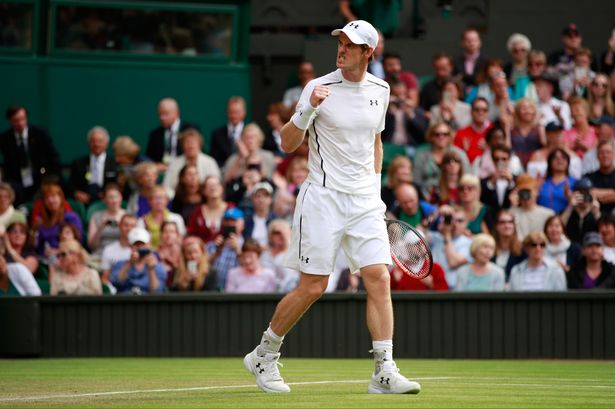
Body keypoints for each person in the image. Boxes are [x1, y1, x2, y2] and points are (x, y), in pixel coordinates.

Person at [243, 20, 421, 395]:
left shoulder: (381, 89)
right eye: (340, 42)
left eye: (350, 45)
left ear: (367, 53)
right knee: (314, 286)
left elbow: (375, 142)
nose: (341, 49)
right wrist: (305, 110)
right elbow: (287, 143)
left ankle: (384, 371)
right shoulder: (316, 87)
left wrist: (374, 189)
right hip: (322, 198)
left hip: (365, 202)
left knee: (379, 278)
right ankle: (264, 353)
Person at [0, 105, 61, 205]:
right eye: (16, 120)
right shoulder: (5, 139)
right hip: (17, 182)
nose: (20, 123)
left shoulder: (40, 133)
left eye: (22, 119)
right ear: (10, 121)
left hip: (40, 177)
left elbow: (53, 157)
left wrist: (49, 178)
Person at [413, 122, 470, 200]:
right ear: (431, 137)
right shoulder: (422, 155)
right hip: (427, 196)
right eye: (437, 134)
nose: (441, 137)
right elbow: (416, 181)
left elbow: (468, 177)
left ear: (450, 136)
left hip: (456, 195)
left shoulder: (459, 154)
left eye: (445, 134)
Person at [162, 128, 220, 199]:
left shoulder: (210, 162)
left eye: (193, 142)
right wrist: (176, 197)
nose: (190, 145)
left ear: (200, 144)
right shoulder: (175, 163)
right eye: (187, 142)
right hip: (179, 200)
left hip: (205, 200)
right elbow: (166, 187)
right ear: (182, 145)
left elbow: (217, 185)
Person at [68, 126, 117, 206]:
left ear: (107, 144)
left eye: (100, 141)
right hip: (84, 201)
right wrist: (77, 193)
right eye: (93, 141)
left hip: (107, 201)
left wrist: (107, 194)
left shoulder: (114, 163)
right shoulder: (78, 163)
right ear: (88, 143)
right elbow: (71, 185)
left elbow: (117, 184)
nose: (96, 144)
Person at [110, 227, 167, 294]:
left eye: (143, 244)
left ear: (149, 245)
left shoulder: (157, 267)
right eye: (136, 244)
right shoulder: (120, 264)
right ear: (130, 246)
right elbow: (116, 283)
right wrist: (129, 264)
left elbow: (157, 292)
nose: (140, 247)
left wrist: (151, 270)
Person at [145, 98, 198, 170]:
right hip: (161, 172)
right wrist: (155, 165)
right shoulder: (155, 134)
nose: (162, 117)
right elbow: (149, 157)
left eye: (165, 114)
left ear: (177, 113)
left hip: (184, 169)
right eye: (160, 114)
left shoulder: (190, 129)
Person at [428, 205, 473, 289]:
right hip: (434, 290)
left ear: (466, 223)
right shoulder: (435, 237)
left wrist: (447, 234)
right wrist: (435, 214)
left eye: (460, 221)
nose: (455, 224)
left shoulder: (470, 243)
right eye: (452, 220)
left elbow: (453, 262)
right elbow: (414, 237)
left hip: (456, 292)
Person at [32, 183, 83, 256]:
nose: (50, 200)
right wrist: (34, 230)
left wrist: (58, 251)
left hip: (67, 256)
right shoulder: (42, 220)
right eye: (47, 198)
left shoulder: (71, 217)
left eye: (53, 196)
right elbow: (37, 247)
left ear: (61, 198)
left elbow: (78, 243)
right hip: (45, 259)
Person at [381, 80, 428, 153]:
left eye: (403, 94)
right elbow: (381, 132)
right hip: (389, 146)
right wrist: (389, 114)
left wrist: (411, 116)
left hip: (409, 147)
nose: (400, 98)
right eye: (397, 95)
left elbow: (424, 132)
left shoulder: (415, 110)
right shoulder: (385, 111)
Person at [137, 186, 186, 250]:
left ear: (167, 201)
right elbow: (141, 244)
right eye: (155, 198)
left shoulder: (177, 218)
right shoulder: (142, 221)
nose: (159, 201)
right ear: (149, 201)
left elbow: (181, 240)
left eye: (162, 198)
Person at [207, 207, 244, 290]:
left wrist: (238, 250)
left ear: (243, 225)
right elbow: (203, 267)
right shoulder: (212, 245)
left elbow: (251, 269)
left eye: (234, 221)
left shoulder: (247, 246)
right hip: (212, 290)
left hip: (236, 290)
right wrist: (217, 252)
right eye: (227, 221)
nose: (230, 224)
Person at [509, 174, 555, 241]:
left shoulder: (548, 214)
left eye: (528, 191)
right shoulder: (511, 213)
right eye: (522, 191)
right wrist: (512, 205)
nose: (525, 195)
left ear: (537, 192)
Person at [187, 175, 229, 245]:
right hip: (202, 253)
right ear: (204, 191)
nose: (213, 188)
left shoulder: (231, 209)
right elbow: (191, 236)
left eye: (215, 185)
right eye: (209, 185)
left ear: (222, 188)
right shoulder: (197, 212)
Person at [87, 183, 126, 257]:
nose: (114, 200)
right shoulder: (96, 216)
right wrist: (101, 228)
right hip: (100, 254)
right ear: (104, 200)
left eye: (116, 197)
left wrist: (121, 227)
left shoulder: (127, 216)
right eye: (111, 197)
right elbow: (92, 246)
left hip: (121, 255)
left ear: (121, 198)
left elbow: (132, 242)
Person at [260, 219, 298, 293]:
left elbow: (290, 277)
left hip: (287, 293)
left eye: (284, 232)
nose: (281, 235)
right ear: (270, 236)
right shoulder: (264, 255)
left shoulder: (294, 253)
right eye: (277, 233)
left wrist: (287, 242)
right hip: (264, 293)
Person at [100, 214, 137, 287]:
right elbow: (105, 277)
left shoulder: (141, 250)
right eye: (126, 225)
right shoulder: (109, 250)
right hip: (116, 292)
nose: (129, 228)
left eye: (132, 226)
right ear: (119, 226)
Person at [561, 177, 600, 246]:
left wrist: (596, 213)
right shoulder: (568, 211)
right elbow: (560, 226)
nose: (584, 196)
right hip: (571, 248)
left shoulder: (595, 210)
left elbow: (602, 230)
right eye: (581, 193)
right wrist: (570, 206)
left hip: (591, 248)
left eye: (586, 193)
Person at [210, 96, 247, 168]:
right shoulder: (217, 134)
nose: (233, 115)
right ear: (227, 112)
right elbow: (214, 159)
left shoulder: (250, 133)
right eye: (231, 112)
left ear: (244, 112)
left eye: (237, 112)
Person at [536, 148, 576, 214]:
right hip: (543, 219)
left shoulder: (574, 182)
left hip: (566, 220)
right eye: (555, 158)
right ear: (549, 162)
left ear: (568, 162)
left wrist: (569, 196)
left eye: (563, 158)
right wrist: (536, 187)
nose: (560, 160)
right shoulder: (542, 182)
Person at [479, 143, 517, 213]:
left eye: (504, 159)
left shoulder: (517, 180)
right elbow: (482, 202)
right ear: (492, 160)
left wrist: (511, 183)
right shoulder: (484, 182)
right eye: (497, 159)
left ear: (509, 159)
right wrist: (492, 183)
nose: (500, 162)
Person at [453, 97, 493, 164]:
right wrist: (463, 152)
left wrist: (488, 150)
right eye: (477, 109)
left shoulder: (495, 132)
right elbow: (455, 159)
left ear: (488, 112)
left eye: (484, 110)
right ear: (471, 112)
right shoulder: (461, 133)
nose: (480, 112)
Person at [510, 98, 546, 169]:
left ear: (534, 111)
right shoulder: (513, 129)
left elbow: (544, 144)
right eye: (523, 108)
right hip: (516, 164)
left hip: (535, 163)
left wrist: (540, 123)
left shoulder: (539, 128)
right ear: (518, 111)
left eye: (530, 108)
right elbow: (507, 148)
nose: (527, 111)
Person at [491, 209, 526, 282]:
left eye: (510, 222)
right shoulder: (489, 248)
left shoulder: (523, 250)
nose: (507, 226)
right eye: (502, 222)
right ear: (496, 226)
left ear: (514, 226)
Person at [243, 182, 277, 247]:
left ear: (271, 199)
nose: (261, 200)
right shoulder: (246, 220)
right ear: (252, 199)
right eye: (258, 196)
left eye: (266, 196)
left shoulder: (276, 220)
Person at [587, 141, 615, 216]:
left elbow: (593, 195)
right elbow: (588, 195)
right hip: (594, 216)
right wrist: (612, 192)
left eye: (608, 152)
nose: (605, 155)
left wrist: (598, 195)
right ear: (597, 155)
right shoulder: (589, 177)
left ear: (613, 154)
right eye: (602, 152)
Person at [504, 33, 532, 100]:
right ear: (511, 52)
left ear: (527, 51)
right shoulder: (507, 68)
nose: (519, 53)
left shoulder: (533, 66)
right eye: (515, 51)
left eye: (522, 50)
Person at [157, 221, 183, 288]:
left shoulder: (185, 254)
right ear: (161, 234)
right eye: (165, 232)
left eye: (172, 232)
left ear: (177, 235)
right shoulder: (155, 255)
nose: (168, 235)